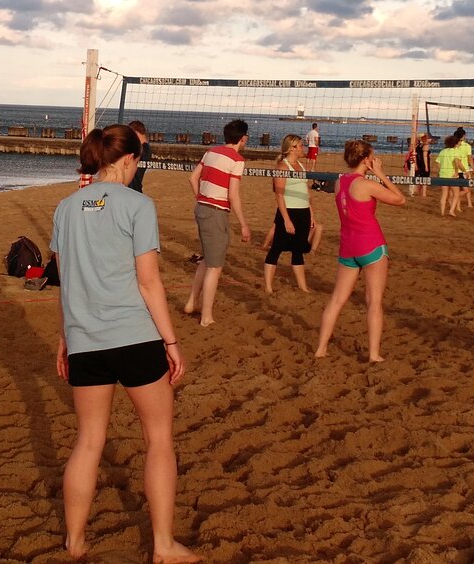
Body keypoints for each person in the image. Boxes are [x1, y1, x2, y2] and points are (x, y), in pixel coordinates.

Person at [51, 125, 195, 563]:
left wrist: (64, 337)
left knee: (88, 441)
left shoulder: (65, 207)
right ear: (129, 159)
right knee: (159, 440)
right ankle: (163, 546)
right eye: (140, 161)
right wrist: (171, 342)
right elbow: (149, 282)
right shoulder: (138, 204)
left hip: (85, 340)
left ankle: (75, 542)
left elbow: (64, 282)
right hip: (135, 337)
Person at [315, 139, 406, 363]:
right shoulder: (366, 184)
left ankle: (320, 349)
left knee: (336, 300)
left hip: (348, 247)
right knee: (374, 302)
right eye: (372, 156)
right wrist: (381, 174)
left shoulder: (340, 182)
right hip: (371, 246)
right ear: (366, 160)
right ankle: (374, 354)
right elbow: (400, 199)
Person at [185, 120, 251, 326]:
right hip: (216, 213)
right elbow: (233, 195)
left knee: (206, 260)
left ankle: (190, 303)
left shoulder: (211, 151)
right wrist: (243, 224)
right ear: (243, 138)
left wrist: (201, 198)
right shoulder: (237, 160)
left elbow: (192, 178)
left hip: (202, 209)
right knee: (215, 266)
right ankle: (206, 317)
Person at [264, 134, 316, 293]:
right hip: (288, 212)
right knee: (276, 249)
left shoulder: (300, 165)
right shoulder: (282, 167)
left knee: (298, 250)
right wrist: (286, 220)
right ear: (292, 148)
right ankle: (268, 287)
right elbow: (279, 195)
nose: (303, 148)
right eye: (300, 146)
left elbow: (305, 193)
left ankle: (303, 287)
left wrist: (311, 214)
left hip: (303, 212)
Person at [434, 129, 472, 217]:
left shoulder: (442, 151)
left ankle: (442, 212)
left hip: (443, 175)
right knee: (456, 194)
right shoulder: (456, 151)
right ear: (455, 143)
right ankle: (451, 210)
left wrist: (440, 172)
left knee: (444, 195)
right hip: (452, 175)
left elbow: (438, 164)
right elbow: (457, 162)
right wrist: (464, 171)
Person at [126, 120, 151, 192]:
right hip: (132, 187)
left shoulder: (144, 148)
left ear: (136, 133)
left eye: (130, 135)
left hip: (133, 188)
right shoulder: (143, 147)